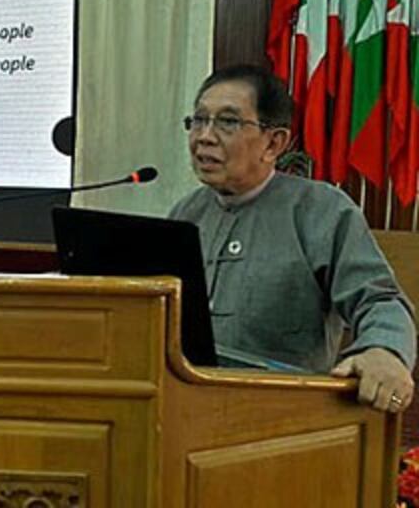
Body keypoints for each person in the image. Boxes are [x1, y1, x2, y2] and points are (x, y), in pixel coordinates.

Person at [169, 64, 416, 413]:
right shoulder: (186, 213)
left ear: (274, 143)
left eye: (227, 122)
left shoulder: (321, 211)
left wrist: (385, 350)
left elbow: (379, 300)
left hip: (286, 418)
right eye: (198, 120)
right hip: (188, 408)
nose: (204, 137)